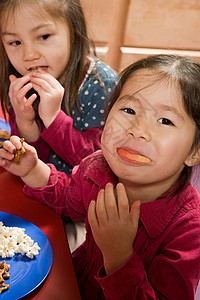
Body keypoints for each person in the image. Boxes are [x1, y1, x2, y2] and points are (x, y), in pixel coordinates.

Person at [0, 54, 200, 300]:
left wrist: (119, 256)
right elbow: (67, 196)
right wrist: (33, 170)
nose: (137, 129)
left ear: (194, 151)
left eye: (165, 120)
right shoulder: (99, 167)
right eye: (129, 109)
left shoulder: (190, 230)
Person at [0, 0, 117, 174]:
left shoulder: (102, 85)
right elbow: (33, 162)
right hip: (42, 185)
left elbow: (98, 167)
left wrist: (53, 118)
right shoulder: (20, 82)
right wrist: (25, 122)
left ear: (74, 30)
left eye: (44, 37)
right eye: (15, 42)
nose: (29, 55)